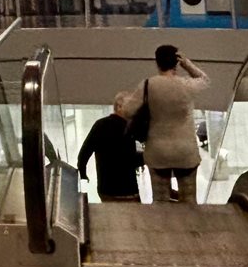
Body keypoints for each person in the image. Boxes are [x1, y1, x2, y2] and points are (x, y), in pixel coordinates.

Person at [125, 44, 209, 204]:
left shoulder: (148, 85)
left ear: (157, 62)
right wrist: (188, 64)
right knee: (189, 200)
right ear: (176, 63)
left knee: (160, 201)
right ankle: (189, 227)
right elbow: (204, 80)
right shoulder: (186, 85)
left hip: (158, 152)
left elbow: (128, 111)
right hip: (185, 152)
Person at [77, 91, 144, 201]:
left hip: (105, 189)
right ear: (119, 106)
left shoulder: (100, 125)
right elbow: (130, 159)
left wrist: (83, 173)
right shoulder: (129, 129)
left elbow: (84, 153)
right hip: (128, 189)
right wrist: (148, 157)